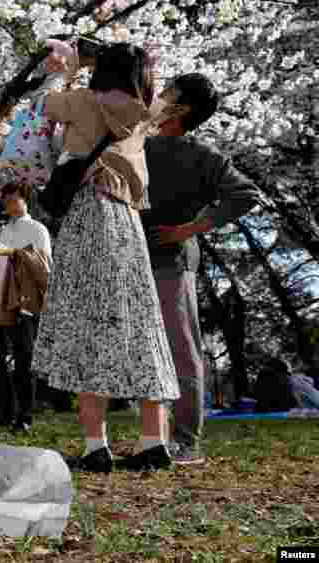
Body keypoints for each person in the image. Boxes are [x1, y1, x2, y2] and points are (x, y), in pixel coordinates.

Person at [32, 41, 179, 472]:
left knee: (89, 323)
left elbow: (43, 104)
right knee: (141, 321)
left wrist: (68, 68)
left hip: (89, 213)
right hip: (128, 221)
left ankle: (96, 446)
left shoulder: (83, 100)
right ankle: (154, 441)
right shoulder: (144, 114)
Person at [142, 72, 261, 464]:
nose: (158, 96)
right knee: (145, 351)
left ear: (182, 108)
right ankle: (154, 438)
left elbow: (246, 194)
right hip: (132, 261)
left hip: (172, 263)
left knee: (180, 349)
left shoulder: (202, 156)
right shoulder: (137, 143)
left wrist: (188, 229)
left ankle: (186, 441)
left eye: (167, 92)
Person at [0, 181, 51, 433]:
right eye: (6, 199)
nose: (9, 203)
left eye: (14, 198)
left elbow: (44, 265)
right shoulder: (1, 230)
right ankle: (5, 412)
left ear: (25, 199)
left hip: (21, 301)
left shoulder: (37, 229)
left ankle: (25, 417)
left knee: (23, 359)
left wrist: (11, 251)